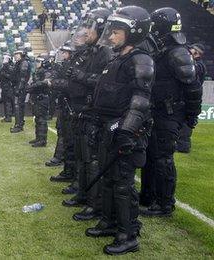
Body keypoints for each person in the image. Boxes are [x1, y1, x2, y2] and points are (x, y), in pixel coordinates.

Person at [85, 6, 154, 255]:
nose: (110, 37)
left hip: (126, 132)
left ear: (133, 32)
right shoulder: (117, 58)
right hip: (110, 128)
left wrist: (127, 131)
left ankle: (128, 234)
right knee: (110, 179)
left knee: (124, 185)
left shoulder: (140, 59)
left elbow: (140, 100)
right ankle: (109, 222)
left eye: (116, 32)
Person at [140, 7, 203, 217]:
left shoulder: (177, 52)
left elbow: (193, 87)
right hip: (156, 112)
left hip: (169, 114)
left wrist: (191, 117)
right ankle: (147, 195)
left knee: (163, 158)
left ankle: (165, 204)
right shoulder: (163, 50)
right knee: (150, 155)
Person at [61, 8, 113, 222]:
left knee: (92, 160)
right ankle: (83, 194)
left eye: (89, 28)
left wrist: (80, 75)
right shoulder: (90, 51)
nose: (85, 32)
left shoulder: (106, 53)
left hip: (92, 111)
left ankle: (94, 204)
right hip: (80, 110)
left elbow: (104, 83)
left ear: (100, 28)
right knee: (83, 157)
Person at [177, 43, 206, 153]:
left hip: (189, 97)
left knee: (186, 123)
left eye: (193, 51)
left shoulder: (199, 66)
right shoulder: (195, 64)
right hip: (185, 96)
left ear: (197, 53)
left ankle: (183, 146)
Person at [26, 58, 52, 147]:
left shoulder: (47, 72)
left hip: (42, 98)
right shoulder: (37, 72)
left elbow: (44, 82)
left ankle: (42, 140)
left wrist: (32, 86)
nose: (36, 63)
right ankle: (38, 138)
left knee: (41, 119)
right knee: (37, 118)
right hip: (37, 97)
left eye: (38, 62)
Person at [10, 48, 32, 133]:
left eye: (17, 54)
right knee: (19, 106)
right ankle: (20, 123)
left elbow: (22, 78)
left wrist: (18, 89)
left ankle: (18, 125)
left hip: (20, 88)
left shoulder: (24, 63)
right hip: (19, 86)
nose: (15, 56)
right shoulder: (20, 63)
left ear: (22, 54)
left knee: (18, 106)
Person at [0, 56, 15, 122]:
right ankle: (7, 116)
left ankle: (8, 117)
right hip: (5, 87)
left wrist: (4, 74)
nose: (3, 60)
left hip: (8, 87)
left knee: (8, 102)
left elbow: (12, 77)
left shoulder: (9, 67)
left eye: (4, 59)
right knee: (6, 102)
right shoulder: (5, 67)